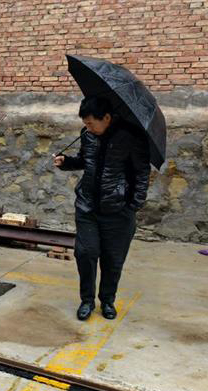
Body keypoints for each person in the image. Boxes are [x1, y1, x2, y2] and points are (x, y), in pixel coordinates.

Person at [55, 96, 150, 321]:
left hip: (119, 210)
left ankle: (107, 300)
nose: (87, 127)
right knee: (85, 253)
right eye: (85, 123)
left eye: (91, 123)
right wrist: (66, 162)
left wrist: (133, 205)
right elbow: (84, 161)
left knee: (113, 260)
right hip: (87, 206)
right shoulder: (87, 135)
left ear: (106, 118)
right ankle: (87, 300)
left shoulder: (131, 137)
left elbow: (142, 173)